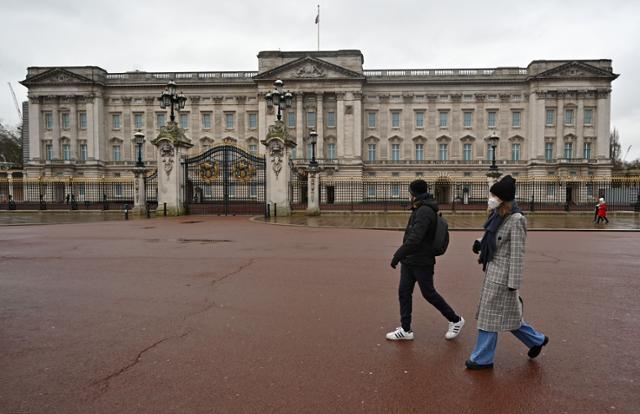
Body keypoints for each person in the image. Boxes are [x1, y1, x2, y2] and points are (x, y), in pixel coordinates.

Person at [466, 175, 548, 369]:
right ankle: (536, 340)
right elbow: (492, 236)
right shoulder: (497, 215)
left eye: (494, 195)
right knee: (509, 317)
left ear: (503, 198)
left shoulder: (517, 220)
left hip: (503, 278)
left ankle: (482, 359)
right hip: (493, 271)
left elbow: (517, 254)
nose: (491, 198)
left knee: (489, 317)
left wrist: (514, 284)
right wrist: (480, 243)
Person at [386, 179, 465, 341]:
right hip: (410, 260)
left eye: (410, 194)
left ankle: (455, 320)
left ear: (414, 195)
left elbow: (415, 239)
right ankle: (406, 329)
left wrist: (398, 255)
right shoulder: (421, 209)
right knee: (404, 292)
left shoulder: (424, 211)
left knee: (429, 293)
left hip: (422, 260)